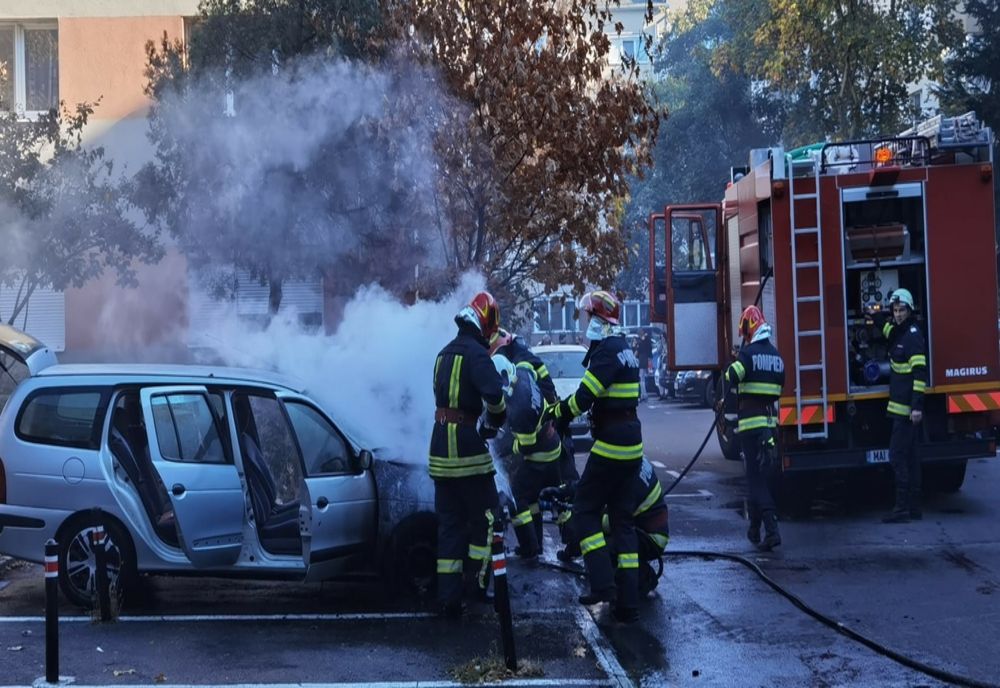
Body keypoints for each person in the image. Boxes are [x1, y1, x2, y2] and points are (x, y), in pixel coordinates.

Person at [551, 290, 643, 623]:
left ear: (600, 319)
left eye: (589, 316)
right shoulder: (626, 351)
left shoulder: (606, 352)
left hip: (611, 444)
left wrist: (557, 413)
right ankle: (628, 602)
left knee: (585, 512)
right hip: (632, 444)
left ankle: (603, 584)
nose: (586, 322)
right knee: (623, 521)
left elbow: (583, 398)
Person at [429, 291, 506, 617]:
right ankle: (476, 587)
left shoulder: (444, 354)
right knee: (488, 519)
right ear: (484, 324)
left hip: (439, 453)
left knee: (449, 526)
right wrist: (493, 424)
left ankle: (448, 599)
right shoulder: (477, 355)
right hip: (468, 452)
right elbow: (495, 397)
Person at [551, 457, 669, 597]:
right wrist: (565, 490)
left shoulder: (632, 483)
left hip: (650, 537)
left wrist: (580, 523)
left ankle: (643, 578)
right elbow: (594, 483)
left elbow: (613, 522)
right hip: (635, 526)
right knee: (595, 541)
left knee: (598, 553)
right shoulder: (629, 461)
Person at [490, 354, 565, 559]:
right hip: (554, 444)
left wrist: (502, 448)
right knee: (550, 498)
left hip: (540, 454)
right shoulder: (522, 370)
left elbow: (526, 444)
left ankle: (529, 548)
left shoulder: (520, 410)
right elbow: (535, 371)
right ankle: (567, 543)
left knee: (518, 499)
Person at [724, 305, 785, 550]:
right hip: (770, 426)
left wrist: (736, 360)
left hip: (750, 426)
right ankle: (755, 528)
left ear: (749, 328)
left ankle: (771, 529)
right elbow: (781, 384)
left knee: (755, 479)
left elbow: (732, 377)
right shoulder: (777, 356)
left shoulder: (748, 355)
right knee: (761, 477)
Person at [876, 288, 927, 523]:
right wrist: (872, 314)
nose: (897, 314)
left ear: (910, 310)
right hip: (902, 408)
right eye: (895, 310)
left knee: (897, 456)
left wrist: (917, 407)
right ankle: (914, 508)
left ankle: (901, 509)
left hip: (907, 410)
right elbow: (889, 332)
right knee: (911, 457)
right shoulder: (901, 332)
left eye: (901, 310)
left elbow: (919, 374)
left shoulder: (913, 336)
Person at [637, 330, 653, 402]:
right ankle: (644, 394)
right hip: (645, 358)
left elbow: (640, 349)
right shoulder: (646, 340)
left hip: (643, 359)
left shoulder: (643, 341)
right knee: (642, 377)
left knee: (641, 377)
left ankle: (644, 394)